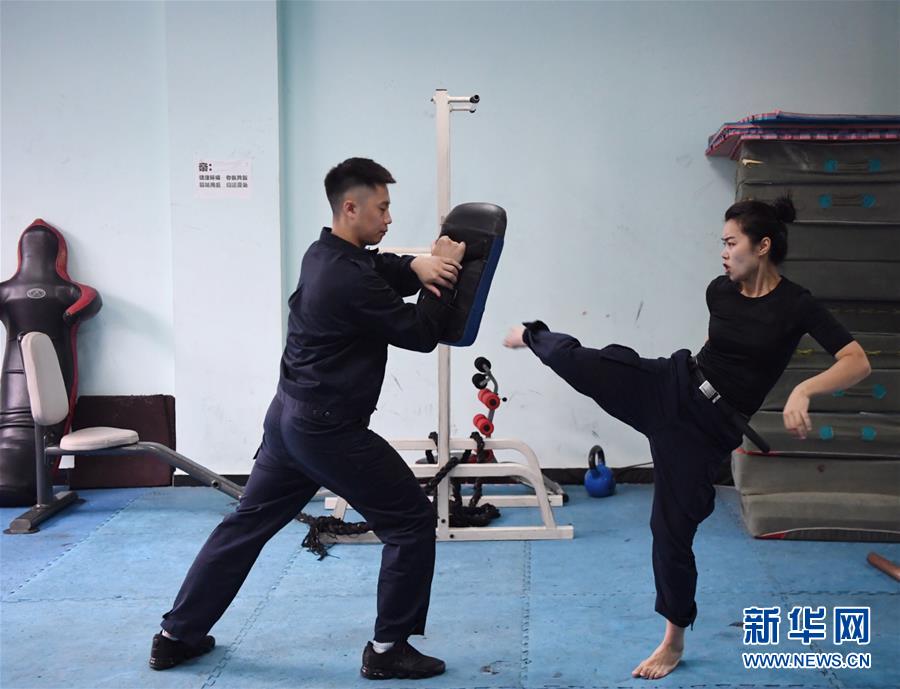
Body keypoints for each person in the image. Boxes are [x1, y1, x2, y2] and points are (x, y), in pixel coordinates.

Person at [503, 196, 871, 680]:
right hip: (674, 384)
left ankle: (672, 641)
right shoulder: (720, 290)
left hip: (706, 431)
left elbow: (857, 361)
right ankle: (533, 335)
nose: (723, 252)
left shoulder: (796, 305)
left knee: (671, 531)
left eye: (731, 243)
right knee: (591, 363)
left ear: (762, 246)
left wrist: (804, 389)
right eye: (723, 243)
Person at [149, 157, 466, 680]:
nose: (389, 219)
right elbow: (419, 333)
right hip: (327, 429)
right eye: (382, 208)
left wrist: (414, 266)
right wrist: (444, 277)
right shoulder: (347, 280)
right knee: (410, 521)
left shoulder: (323, 255)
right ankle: (389, 650)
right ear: (351, 208)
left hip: (287, 421)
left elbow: (375, 268)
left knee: (246, 526)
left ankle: (174, 637)